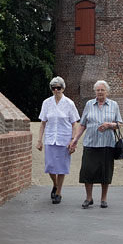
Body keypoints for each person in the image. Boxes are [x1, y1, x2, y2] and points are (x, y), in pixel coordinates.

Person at [68, 80, 123, 208]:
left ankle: (103, 199)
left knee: (105, 172)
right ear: (95, 92)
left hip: (107, 144)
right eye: (97, 90)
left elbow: (119, 124)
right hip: (91, 143)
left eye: (102, 90)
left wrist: (109, 125)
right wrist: (75, 139)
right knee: (88, 171)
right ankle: (89, 198)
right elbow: (82, 124)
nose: (100, 92)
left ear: (107, 92)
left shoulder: (113, 105)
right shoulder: (89, 104)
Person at [37, 76, 80, 205]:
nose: (56, 90)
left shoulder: (69, 103)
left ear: (63, 88)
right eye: (54, 88)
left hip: (64, 139)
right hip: (50, 138)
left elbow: (74, 123)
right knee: (50, 166)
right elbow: (43, 122)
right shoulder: (46, 103)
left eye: (59, 88)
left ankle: (58, 192)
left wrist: (73, 140)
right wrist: (39, 140)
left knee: (61, 167)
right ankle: (55, 184)